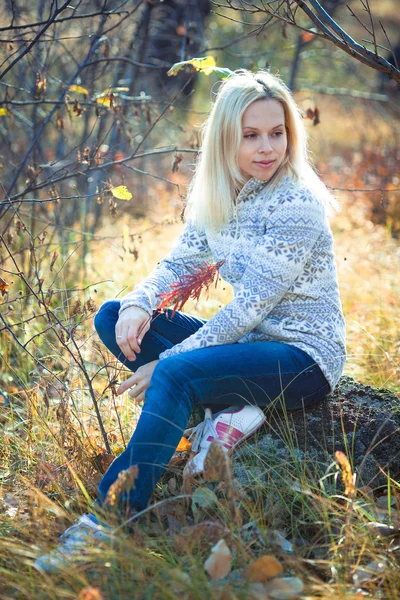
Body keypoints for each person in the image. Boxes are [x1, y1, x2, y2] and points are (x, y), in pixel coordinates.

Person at [35, 68, 346, 572]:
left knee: (176, 373)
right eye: (251, 135)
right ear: (227, 137)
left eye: (277, 132)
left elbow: (249, 310)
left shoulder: (298, 205)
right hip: (248, 343)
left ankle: (107, 522)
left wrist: (171, 362)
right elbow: (180, 263)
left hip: (300, 359)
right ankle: (227, 404)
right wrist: (140, 303)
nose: (267, 147)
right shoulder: (222, 195)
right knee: (112, 316)